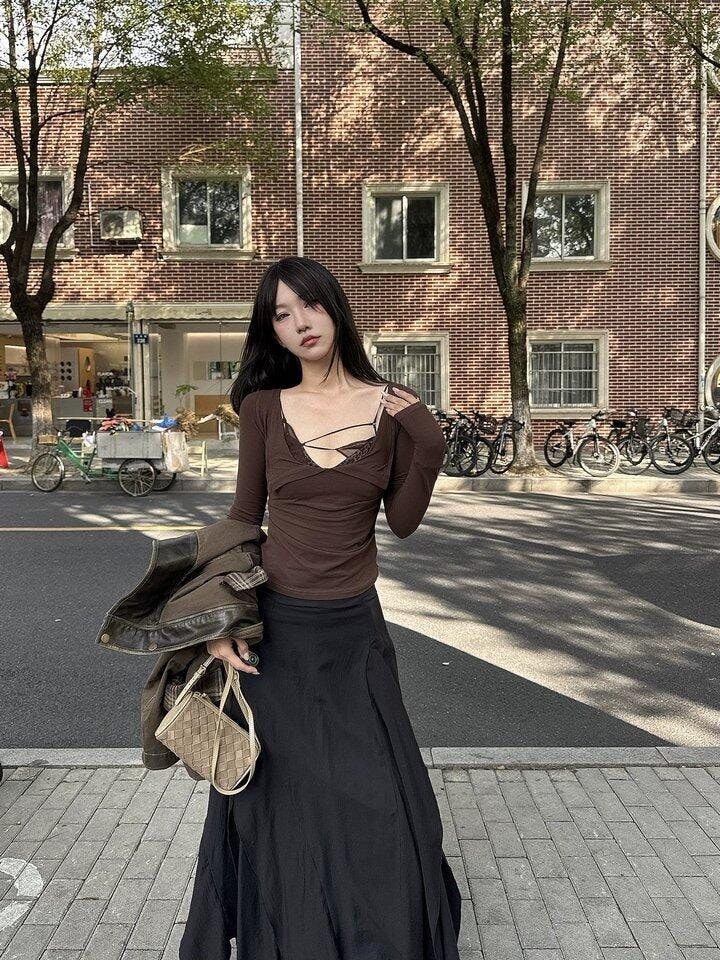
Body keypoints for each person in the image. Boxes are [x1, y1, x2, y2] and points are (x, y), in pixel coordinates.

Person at [179, 255, 461, 960]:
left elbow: (402, 523)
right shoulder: (262, 409)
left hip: (355, 637)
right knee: (281, 800)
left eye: (309, 305)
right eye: (281, 314)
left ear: (335, 309)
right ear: (272, 330)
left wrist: (427, 444)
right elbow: (242, 519)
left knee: (380, 797)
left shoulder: (389, 407)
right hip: (276, 636)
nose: (299, 322)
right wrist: (220, 624)